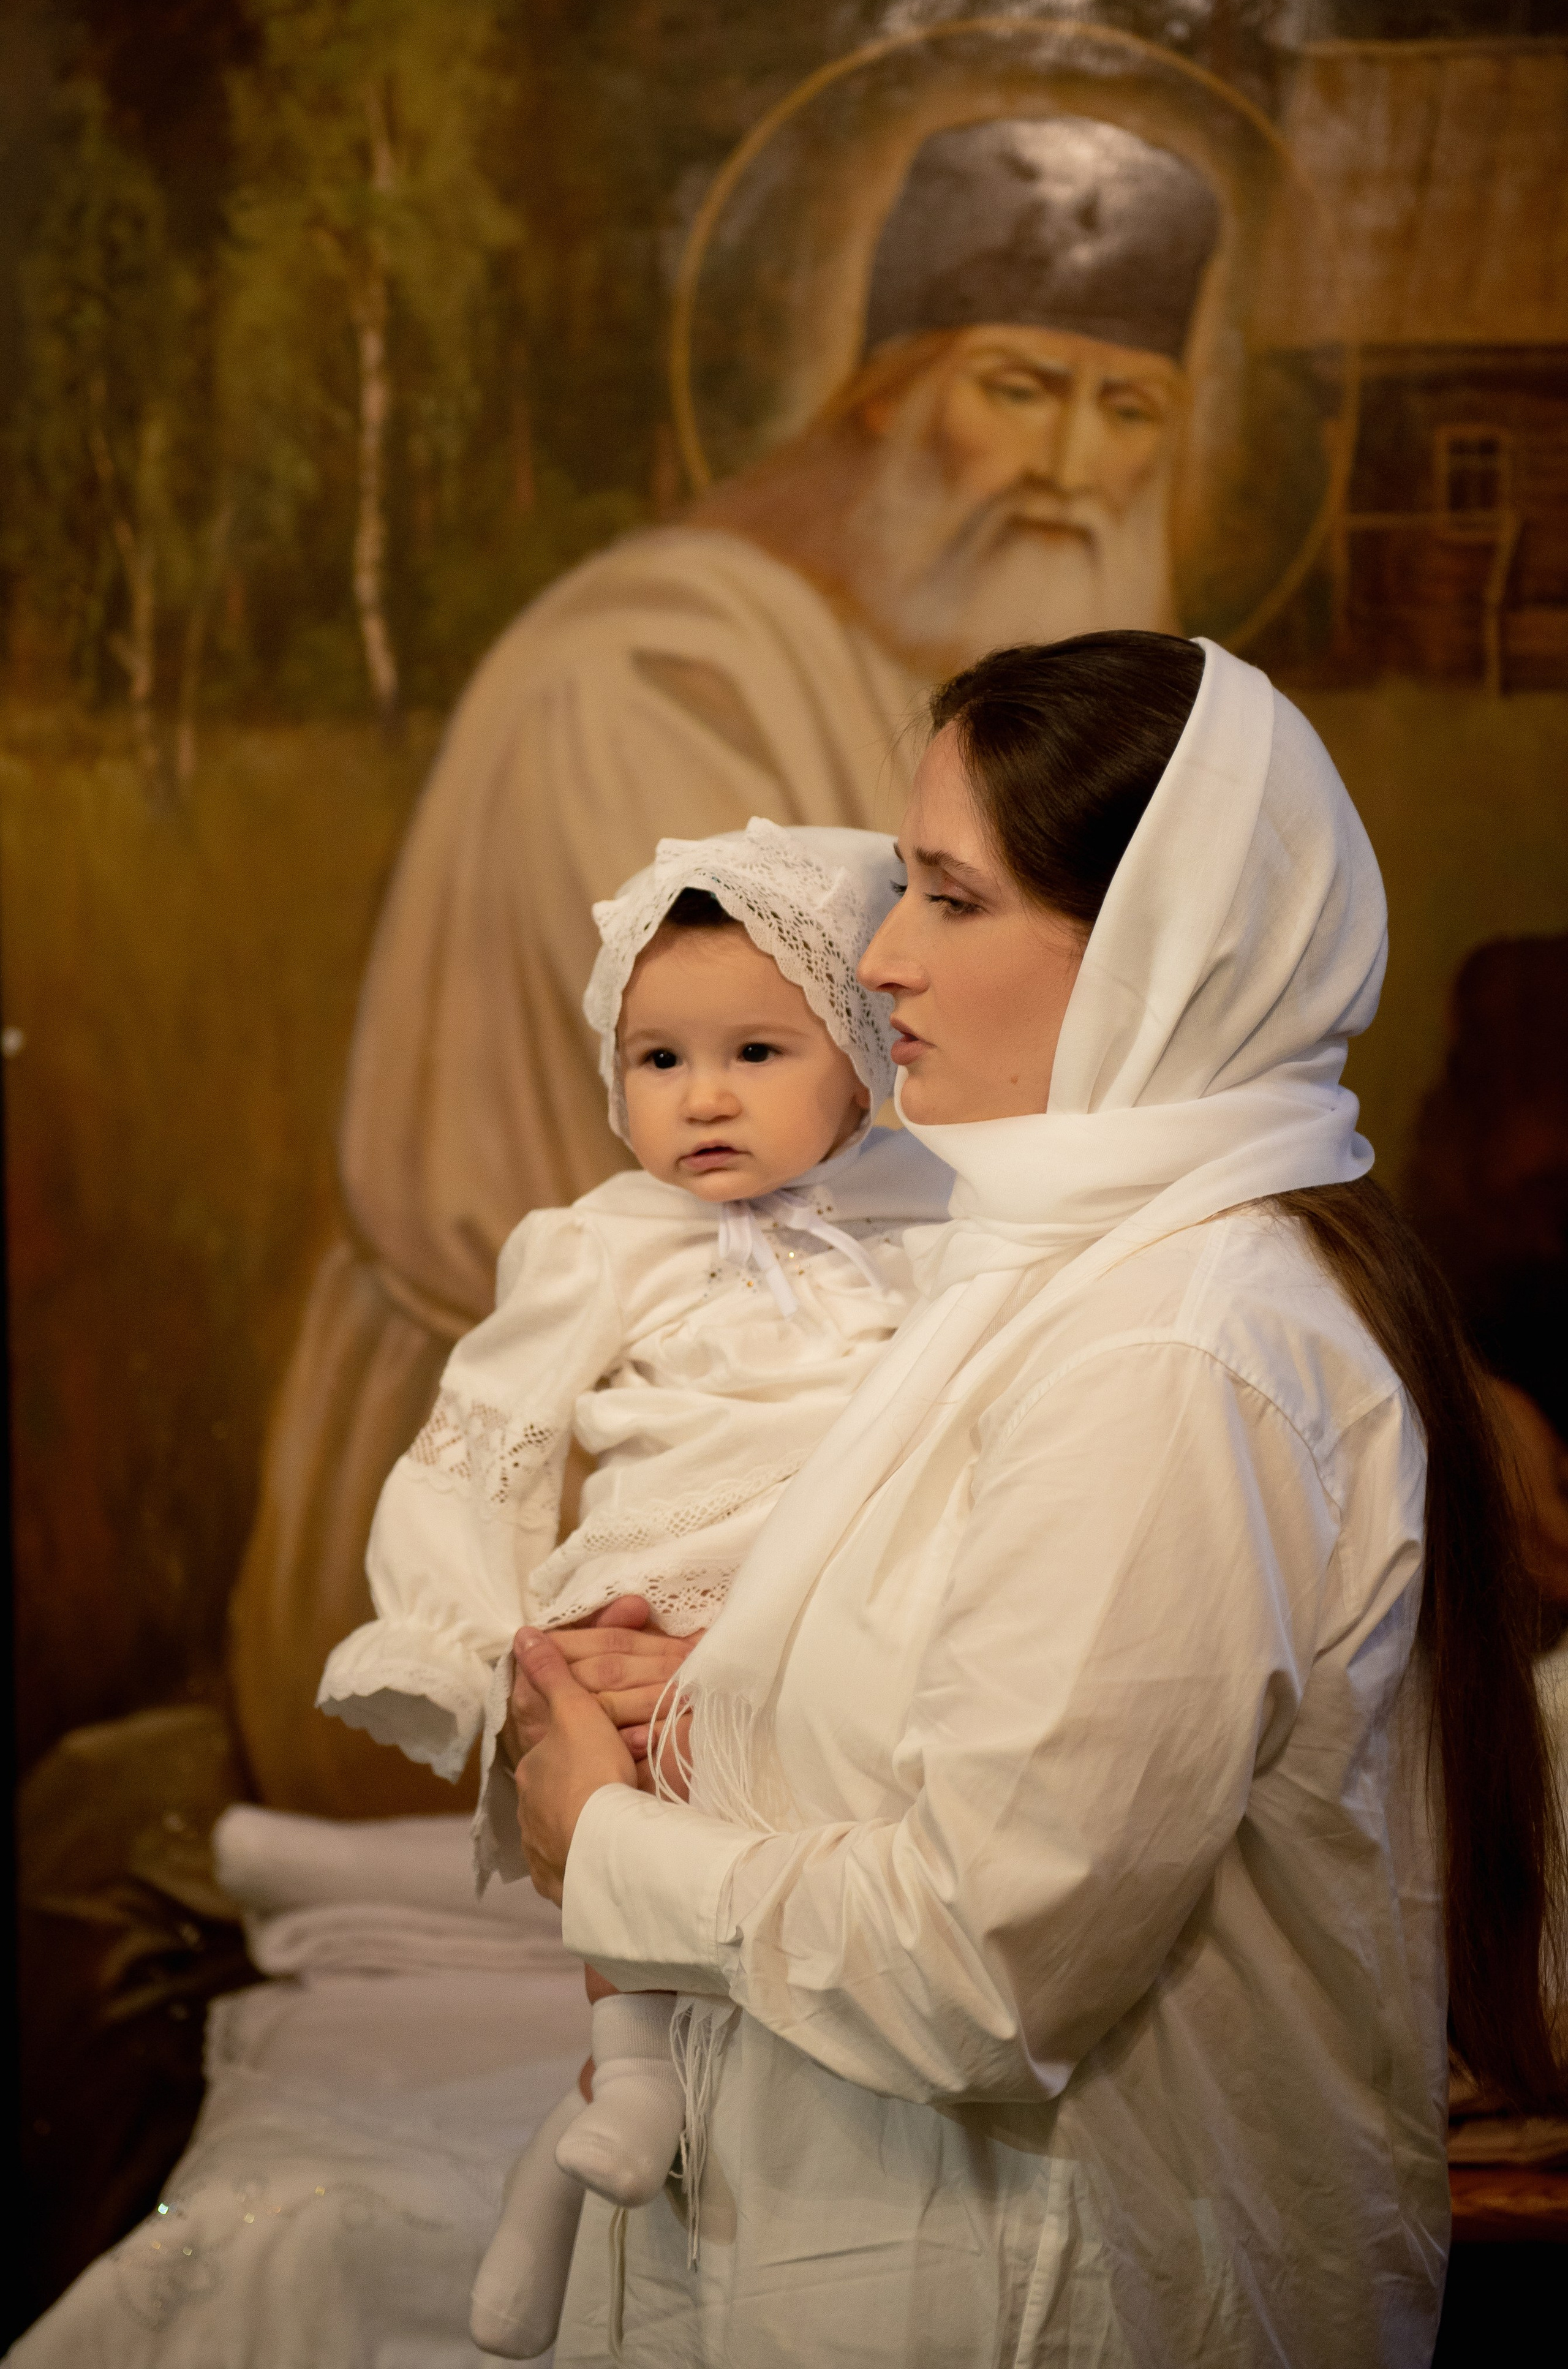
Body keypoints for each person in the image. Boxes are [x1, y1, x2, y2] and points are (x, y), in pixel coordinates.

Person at [506, 632, 1564, 2365]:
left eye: (948, 894)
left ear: (1151, 945)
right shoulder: (1060, 1268)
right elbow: (998, 1727)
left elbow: (986, 1961)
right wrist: (711, 1695)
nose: (881, 954)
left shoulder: (1172, 1346)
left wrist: (606, 1844)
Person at [230, 113, 1224, 1820]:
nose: (1071, 460)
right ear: (882, 395)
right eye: (1016, 386)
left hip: (837, 1476)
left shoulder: (934, 700)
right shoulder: (648, 674)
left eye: (1125, 406)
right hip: (584, 1475)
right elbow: (757, 1140)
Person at [315, 820, 951, 2357]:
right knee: (614, 1784)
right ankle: (626, 2053)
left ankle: (589, 2134)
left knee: (773, 1869)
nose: (703, 1094)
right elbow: (489, 1436)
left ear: (865, 1058)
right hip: (659, 1576)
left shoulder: (938, 1223)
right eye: (656, 1059)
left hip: (831, 1588)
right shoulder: (600, 1243)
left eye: (752, 1048)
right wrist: (457, 1630)